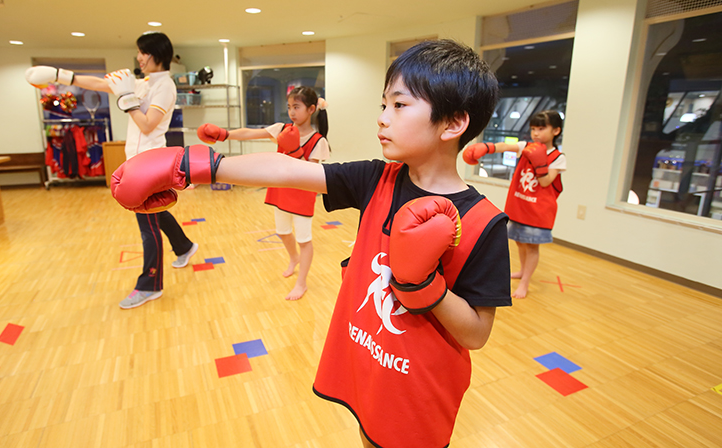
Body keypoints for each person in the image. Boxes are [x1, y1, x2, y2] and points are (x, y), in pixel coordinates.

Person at [110, 39, 512, 448]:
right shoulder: (378, 180)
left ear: (452, 123)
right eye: (383, 105)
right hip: (370, 363)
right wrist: (193, 166)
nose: (383, 119)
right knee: (367, 436)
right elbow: (286, 169)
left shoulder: (484, 223)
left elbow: (476, 334)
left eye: (400, 106)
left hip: (419, 392)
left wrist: (425, 285)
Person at [24, 31, 199, 309]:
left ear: (156, 54)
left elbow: (146, 124)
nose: (139, 57)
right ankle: (184, 246)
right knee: (154, 212)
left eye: (143, 52)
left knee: (146, 225)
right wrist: (60, 75)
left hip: (150, 163)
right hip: (139, 159)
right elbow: (100, 83)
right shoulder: (144, 83)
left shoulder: (164, 86)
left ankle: (149, 285)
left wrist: (127, 97)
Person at [196, 87, 330, 301]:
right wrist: (225, 134)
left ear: (311, 109)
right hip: (280, 191)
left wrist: (295, 151)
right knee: (283, 232)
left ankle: (301, 282)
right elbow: (251, 132)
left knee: (304, 240)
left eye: (297, 107)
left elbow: (311, 174)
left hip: (302, 197)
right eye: (289, 107)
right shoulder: (282, 129)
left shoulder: (318, 141)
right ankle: (293, 258)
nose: (292, 112)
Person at [462, 110, 566, 299]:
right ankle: (522, 271)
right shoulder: (526, 145)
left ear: (556, 130)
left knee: (532, 245)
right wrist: (486, 148)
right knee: (519, 241)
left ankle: (525, 281)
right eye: (533, 128)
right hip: (520, 205)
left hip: (539, 211)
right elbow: (505, 146)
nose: (536, 133)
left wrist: (540, 163)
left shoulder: (558, 157)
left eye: (542, 128)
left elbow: (545, 182)